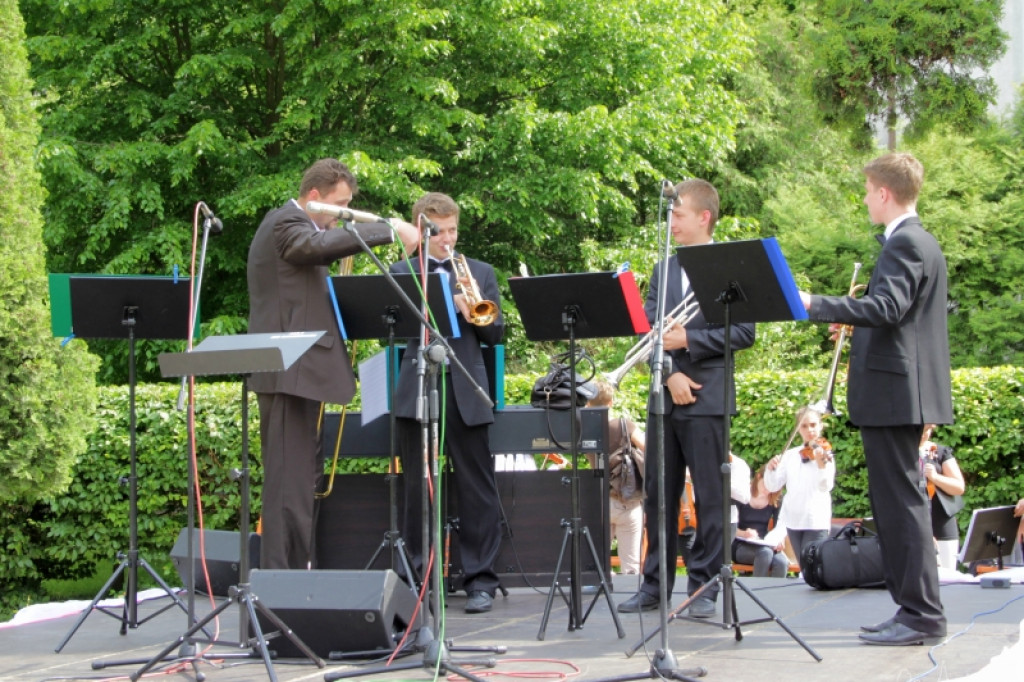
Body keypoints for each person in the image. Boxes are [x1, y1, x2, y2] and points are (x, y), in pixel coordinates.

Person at [799, 152, 952, 646]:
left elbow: (887, 308)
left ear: (884, 193)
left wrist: (815, 304)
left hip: (894, 395)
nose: (865, 200)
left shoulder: (904, 243)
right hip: (901, 393)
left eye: (867, 191)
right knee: (898, 505)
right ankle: (914, 610)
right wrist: (856, 321)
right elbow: (901, 320)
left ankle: (921, 615)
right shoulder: (920, 241)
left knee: (901, 507)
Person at [248, 158, 419, 570]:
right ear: (314, 197)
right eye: (339, 206)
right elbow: (313, 246)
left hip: (300, 373)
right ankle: (281, 584)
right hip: (289, 372)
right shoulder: (286, 222)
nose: (342, 215)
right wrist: (389, 230)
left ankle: (295, 575)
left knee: (301, 483)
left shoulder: (296, 225)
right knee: (289, 487)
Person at [617, 178, 756, 618]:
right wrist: (671, 373)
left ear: (703, 217)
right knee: (659, 495)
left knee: (711, 497)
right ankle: (655, 585)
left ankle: (706, 585)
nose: (671, 223)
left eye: (678, 216)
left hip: (708, 396)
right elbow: (649, 332)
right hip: (665, 394)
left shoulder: (730, 266)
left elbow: (744, 332)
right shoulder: (664, 269)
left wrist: (688, 342)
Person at [389, 192, 505, 614]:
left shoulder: (480, 271)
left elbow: (496, 335)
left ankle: (480, 580)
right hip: (418, 384)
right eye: (440, 232)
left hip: (466, 387)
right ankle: (417, 579)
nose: (448, 240)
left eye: (453, 230)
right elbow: (393, 329)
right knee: (416, 487)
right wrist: (438, 302)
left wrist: (476, 313)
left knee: (477, 488)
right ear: (422, 229)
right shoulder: (402, 271)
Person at [764, 405, 836, 576]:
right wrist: (770, 469)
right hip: (793, 520)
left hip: (815, 520)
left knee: (814, 570)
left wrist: (821, 465)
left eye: (813, 425)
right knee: (803, 568)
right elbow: (772, 486)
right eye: (804, 426)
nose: (809, 430)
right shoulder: (790, 455)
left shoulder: (825, 454)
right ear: (798, 429)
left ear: (820, 426)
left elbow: (826, 486)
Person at [586, 380, 646, 575]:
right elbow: (649, 448)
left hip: (600, 502)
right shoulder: (623, 425)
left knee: (599, 564)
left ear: (588, 403)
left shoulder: (584, 430)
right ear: (610, 402)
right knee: (631, 566)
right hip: (628, 500)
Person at [919, 424, 965, 571]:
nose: (924, 434)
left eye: (927, 430)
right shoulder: (901, 454)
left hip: (941, 521)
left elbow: (959, 487)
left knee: (947, 571)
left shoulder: (938, 451)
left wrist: (935, 477)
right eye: (921, 430)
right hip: (916, 519)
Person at [733, 465, 789, 578]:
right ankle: (757, 588)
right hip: (740, 544)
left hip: (765, 543)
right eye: (765, 484)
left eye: (772, 486)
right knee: (765, 554)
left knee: (781, 562)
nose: (767, 490)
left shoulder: (775, 498)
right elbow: (728, 527)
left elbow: (780, 526)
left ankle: (773, 590)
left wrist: (779, 540)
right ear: (758, 477)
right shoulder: (742, 494)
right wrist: (744, 533)